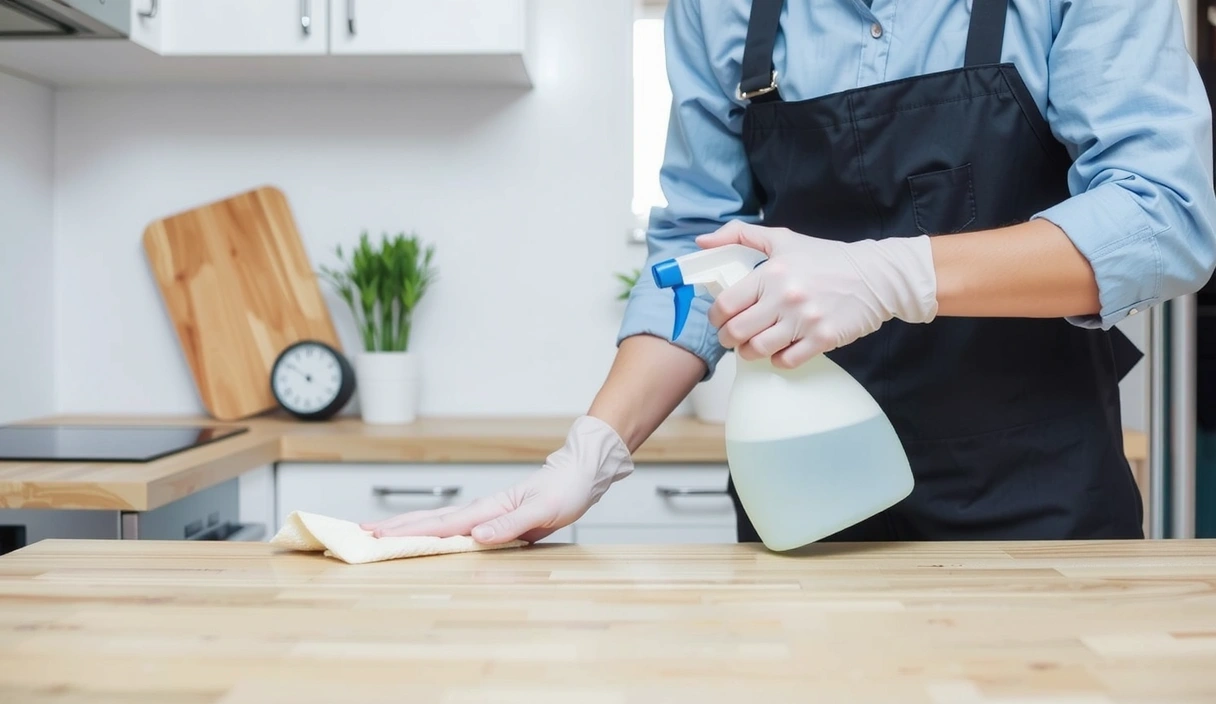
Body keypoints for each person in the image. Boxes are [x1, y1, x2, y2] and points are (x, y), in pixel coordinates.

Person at [363, 0, 1216, 544]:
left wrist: (894, 276)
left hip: (1037, 501)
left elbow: (1165, 216)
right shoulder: (719, 9)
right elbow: (698, 249)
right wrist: (591, 451)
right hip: (803, 502)